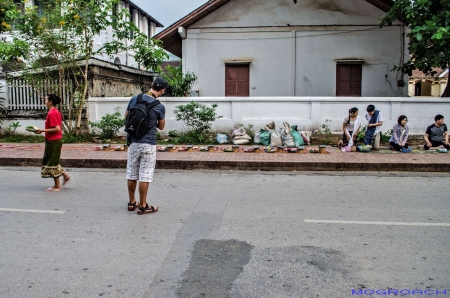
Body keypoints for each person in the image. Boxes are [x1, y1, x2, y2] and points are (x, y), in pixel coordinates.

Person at [125, 77, 167, 215]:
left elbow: (126, 116)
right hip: (148, 144)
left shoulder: (135, 99)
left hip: (133, 142)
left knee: (131, 172)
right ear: (162, 90)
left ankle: (132, 202)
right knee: (145, 175)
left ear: (151, 85)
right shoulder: (159, 106)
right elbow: (161, 127)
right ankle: (143, 206)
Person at [34, 94, 72, 191]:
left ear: (50, 101)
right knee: (52, 160)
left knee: (52, 163)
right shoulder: (53, 111)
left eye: (46, 99)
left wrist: (42, 130)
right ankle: (65, 175)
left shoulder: (52, 113)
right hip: (52, 140)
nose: (45, 101)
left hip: (54, 140)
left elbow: (57, 128)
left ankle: (57, 186)